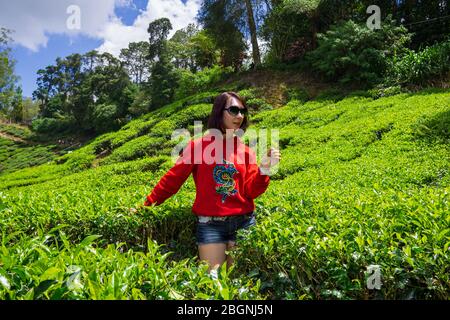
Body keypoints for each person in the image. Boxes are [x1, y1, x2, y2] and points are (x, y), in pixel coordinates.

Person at [130, 92, 281, 273]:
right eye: (233, 110)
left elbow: (250, 192)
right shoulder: (197, 147)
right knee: (213, 280)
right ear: (219, 112)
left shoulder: (247, 151)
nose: (240, 116)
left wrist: (264, 170)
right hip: (211, 225)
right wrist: (145, 205)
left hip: (244, 223)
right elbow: (172, 180)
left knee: (240, 282)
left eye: (242, 111)